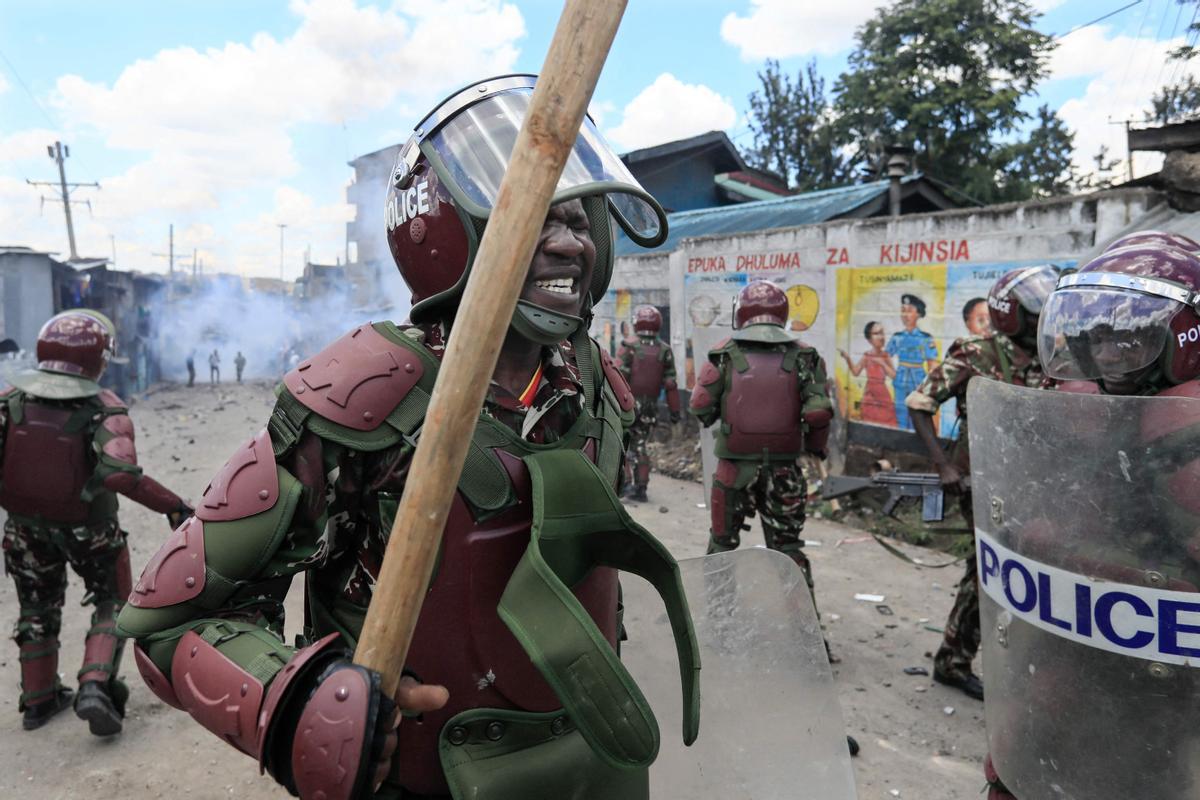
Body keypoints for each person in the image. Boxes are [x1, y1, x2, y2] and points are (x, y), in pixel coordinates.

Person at [116, 75, 698, 800]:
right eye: (539, 216)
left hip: (596, 762)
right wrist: (300, 708)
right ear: (449, 234)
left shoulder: (599, 386)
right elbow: (173, 621)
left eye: (582, 222)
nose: (568, 244)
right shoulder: (361, 401)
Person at [980, 233, 1200, 799]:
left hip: (1165, 675)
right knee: (1020, 759)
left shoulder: (1187, 431)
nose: (1107, 353)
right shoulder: (1073, 406)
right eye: (1097, 336)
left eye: (1129, 337)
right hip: (1068, 637)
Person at [0, 310, 191, 735]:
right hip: (90, 529)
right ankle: (95, 683)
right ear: (100, 358)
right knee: (111, 601)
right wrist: (173, 506)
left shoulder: (10, 399)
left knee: (36, 606)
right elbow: (120, 475)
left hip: (24, 529)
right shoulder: (103, 408)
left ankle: (38, 702)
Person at [904, 265, 1059, 702]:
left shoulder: (1057, 356)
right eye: (1035, 310)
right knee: (985, 571)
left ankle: (1024, 662)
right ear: (1012, 315)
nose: (1045, 316)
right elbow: (919, 404)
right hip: (983, 484)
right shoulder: (977, 353)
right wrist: (943, 468)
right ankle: (952, 661)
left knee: (1033, 575)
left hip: (1036, 487)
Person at [689, 280, 833, 600]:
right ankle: (804, 629)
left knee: (722, 545)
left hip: (732, 472)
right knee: (788, 549)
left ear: (740, 314)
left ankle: (721, 621)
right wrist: (815, 448)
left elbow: (699, 407)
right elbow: (819, 413)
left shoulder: (724, 356)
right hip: (785, 473)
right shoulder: (805, 357)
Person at [617, 306, 680, 501]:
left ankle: (625, 484)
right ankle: (642, 488)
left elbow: (618, 377)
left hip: (627, 404)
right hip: (650, 407)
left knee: (622, 443)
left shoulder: (628, 346)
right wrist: (675, 412)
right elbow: (670, 384)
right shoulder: (665, 350)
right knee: (641, 444)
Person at [886, 293, 938, 430]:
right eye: (903, 310)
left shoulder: (926, 338)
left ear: (918, 314)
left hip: (918, 382)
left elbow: (933, 365)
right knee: (901, 416)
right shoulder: (897, 338)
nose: (905, 314)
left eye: (909, 311)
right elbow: (884, 357)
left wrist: (927, 386)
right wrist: (893, 375)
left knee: (918, 418)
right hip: (900, 381)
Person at [840, 320, 897, 426]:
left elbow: (894, 376)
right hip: (869, 394)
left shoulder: (885, 356)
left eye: (882, 332)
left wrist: (883, 364)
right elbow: (856, 372)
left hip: (883, 394)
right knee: (869, 420)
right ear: (869, 339)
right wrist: (848, 358)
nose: (881, 336)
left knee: (887, 421)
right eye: (876, 333)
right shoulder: (867, 356)